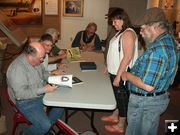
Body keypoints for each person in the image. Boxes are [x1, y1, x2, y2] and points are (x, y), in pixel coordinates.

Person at [121, 7, 179, 135]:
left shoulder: (157, 50)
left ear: (154, 27)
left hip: (144, 102)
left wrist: (127, 75)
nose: (140, 33)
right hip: (157, 99)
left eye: (142, 28)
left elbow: (148, 86)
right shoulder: (170, 41)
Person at [6, 42, 64, 135]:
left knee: (62, 103)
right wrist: (44, 89)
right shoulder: (17, 69)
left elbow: (44, 73)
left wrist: (52, 79)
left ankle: (44, 130)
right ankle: (26, 133)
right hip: (26, 102)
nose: (42, 60)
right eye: (41, 58)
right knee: (44, 125)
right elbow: (20, 94)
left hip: (39, 92)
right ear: (31, 56)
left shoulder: (36, 59)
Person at [101, 8, 138, 133]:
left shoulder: (127, 33)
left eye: (115, 21)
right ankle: (114, 115)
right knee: (118, 96)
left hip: (121, 73)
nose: (113, 24)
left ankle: (121, 125)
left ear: (122, 19)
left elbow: (127, 56)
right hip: (115, 71)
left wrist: (118, 76)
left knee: (122, 99)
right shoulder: (120, 32)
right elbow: (116, 52)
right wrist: (108, 66)